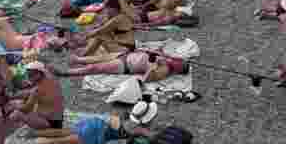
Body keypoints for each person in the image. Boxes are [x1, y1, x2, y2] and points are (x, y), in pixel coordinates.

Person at [22, 114, 151, 144]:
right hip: (94, 133)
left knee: (60, 133)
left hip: (92, 123)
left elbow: (108, 120)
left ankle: (34, 134)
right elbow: (131, 140)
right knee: (61, 141)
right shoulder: (134, 130)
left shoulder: (120, 118)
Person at [61, 50, 190, 82]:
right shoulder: (168, 59)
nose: (178, 61)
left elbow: (147, 78)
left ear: (178, 70)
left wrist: (152, 63)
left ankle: (67, 73)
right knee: (96, 58)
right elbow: (154, 52)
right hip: (127, 55)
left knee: (94, 68)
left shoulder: (165, 70)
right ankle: (78, 59)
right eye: (180, 60)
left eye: (180, 64)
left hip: (125, 65)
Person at [8, 62, 64, 131]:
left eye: (30, 75)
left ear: (38, 74)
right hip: (57, 119)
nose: (28, 77)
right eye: (28, 75)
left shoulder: (37, 89)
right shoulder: (51, 79)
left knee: (16, 114)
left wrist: (13, 106)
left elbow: (26, 109)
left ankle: (12, 131)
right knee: (23, 103)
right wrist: (13, 96)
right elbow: (29, 93)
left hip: (50, 123)